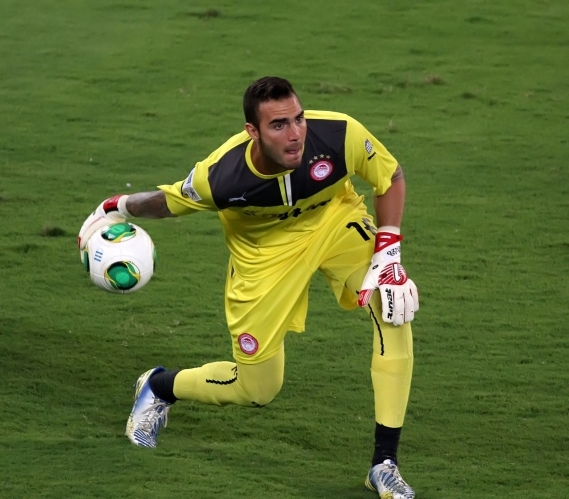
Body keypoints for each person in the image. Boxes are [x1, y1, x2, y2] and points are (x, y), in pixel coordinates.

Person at [78, 76, 419, 499]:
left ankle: (384, 464)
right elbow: (167, 203)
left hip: (335, 225)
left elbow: (390, 176)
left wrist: (388, 250)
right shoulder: (222, 176)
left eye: (298, 119)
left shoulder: (340, 134)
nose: (295, 134)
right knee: (257, 389)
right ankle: (160, 386)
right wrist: (113, 206)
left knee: (392, 304)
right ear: (252, 132)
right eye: (278, 125)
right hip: (262, 260)